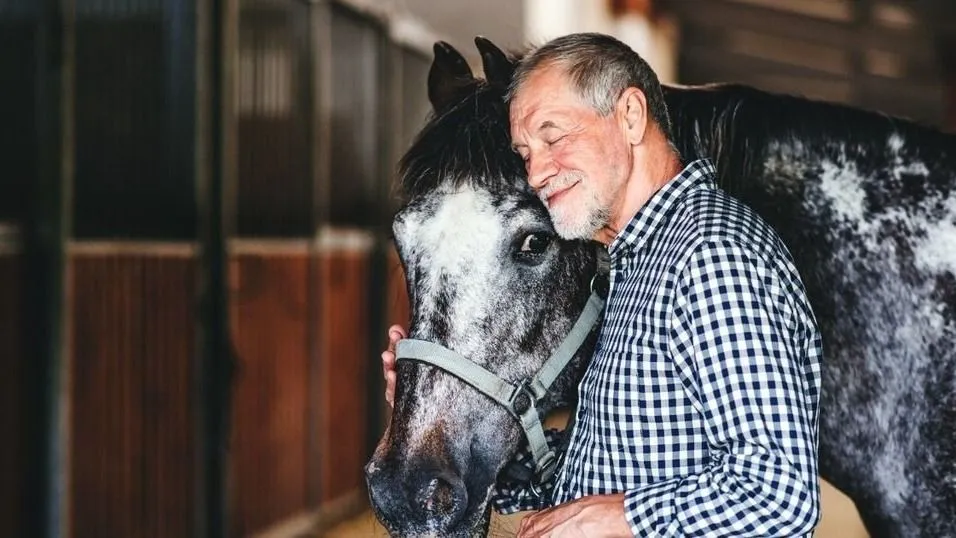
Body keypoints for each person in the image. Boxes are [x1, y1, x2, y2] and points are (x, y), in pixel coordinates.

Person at [382, 32, 822, 537]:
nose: (539, 173)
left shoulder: (711, 255)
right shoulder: (637, 262)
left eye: (554, 137)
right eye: (526, 153)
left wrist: (623, 518)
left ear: (631, 116)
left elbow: (779, 495)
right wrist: (448, 409)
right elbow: (615, 462)